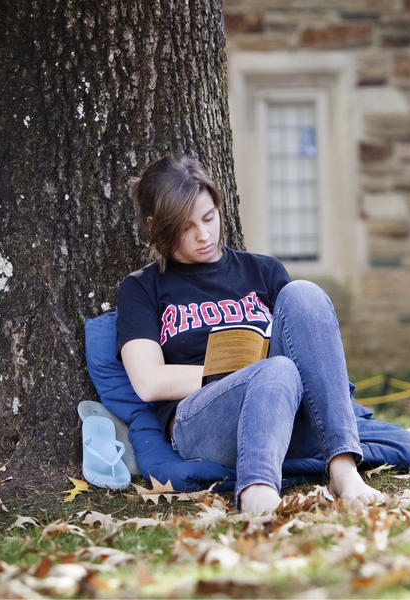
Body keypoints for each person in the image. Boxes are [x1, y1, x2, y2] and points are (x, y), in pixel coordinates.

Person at [116, 155, 385, 514]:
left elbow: (307, 346)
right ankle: (257, 492)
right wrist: (238, 373)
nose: (204, 234)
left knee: (304, 295)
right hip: (207, 420)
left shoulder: (264, 271)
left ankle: (343, 471)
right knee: (276, 369)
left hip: (289, 413)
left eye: (209, 217)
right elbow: (149, 382)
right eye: (185, 227)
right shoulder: (142, 288)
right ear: (156, 227)